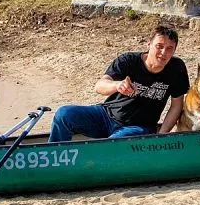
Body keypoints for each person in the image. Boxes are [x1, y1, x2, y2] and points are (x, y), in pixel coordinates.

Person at [48, 25, 189, 142]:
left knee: (114, 144)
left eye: (169, 48)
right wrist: (117, 85)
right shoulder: (128, 60)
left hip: (138, 127)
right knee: (64, 114)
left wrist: (162, 135)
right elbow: (100, 85)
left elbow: (176, 106)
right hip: (105, 116)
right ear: (149, 44)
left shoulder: (177, 69)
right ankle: (55, 156)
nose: (163, 53)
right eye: (159, 46)